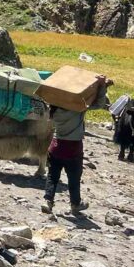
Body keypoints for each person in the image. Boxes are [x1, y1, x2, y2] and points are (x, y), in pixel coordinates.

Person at [42, 83, 107, 215]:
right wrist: (102, 87)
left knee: (52, 176)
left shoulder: (53, 109)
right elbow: (99, 104)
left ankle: (47, 202)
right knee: (74, 179)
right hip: (73, 149)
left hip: (55, 147)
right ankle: (75, 204)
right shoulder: (78, 109)